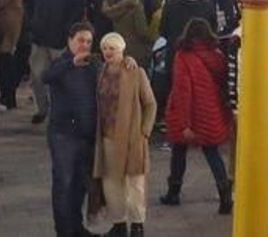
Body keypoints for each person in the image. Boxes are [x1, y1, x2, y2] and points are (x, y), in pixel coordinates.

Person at [161, 18, 233, 214]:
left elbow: (182, 90)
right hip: (210, 109)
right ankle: (225, 194)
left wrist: (184, 122)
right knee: (211, 152)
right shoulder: (217, 55)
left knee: (178, 150)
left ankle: (174, 192)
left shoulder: (183, 56)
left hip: (190, 110)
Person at [92, 31, 156, 237]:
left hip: (131, 138)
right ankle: (118, 223)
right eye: (104, 48)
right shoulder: (100, 71)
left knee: (135, 182)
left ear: (121, 50)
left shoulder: (136, 72)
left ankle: (137, 223)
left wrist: (144, 131)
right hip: (106, 137)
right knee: (111, 183)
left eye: (112, 48)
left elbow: (150, 103)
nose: (108, 52)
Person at [43, 23, 99, 236]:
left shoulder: (93, 65)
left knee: (80, 185)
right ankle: (64, 231)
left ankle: (76, 227)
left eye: (88, 41)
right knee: (63, 184)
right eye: (80, 40)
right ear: (70, 41)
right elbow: (45, 76)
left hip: (86, 134)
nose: (84, 45)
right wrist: (70, 64)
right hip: (63, 135)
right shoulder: (62, 62)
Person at [26, 0, 87, 125]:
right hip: (39, 37)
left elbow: (78, 10)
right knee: (37, 76)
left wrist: (69, 33)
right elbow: (28, 2)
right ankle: (41, 109)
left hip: (62, 39)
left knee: (61, 78)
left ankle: (60, 111)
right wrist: (32, 23)